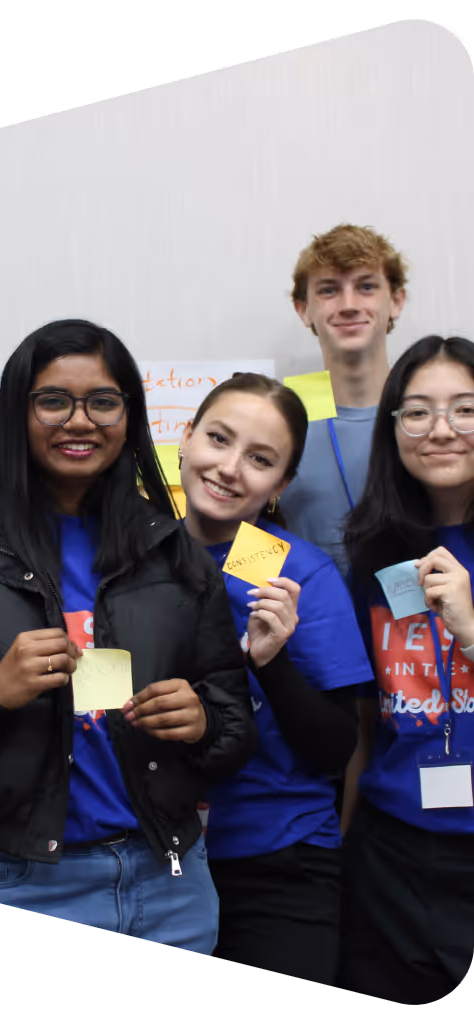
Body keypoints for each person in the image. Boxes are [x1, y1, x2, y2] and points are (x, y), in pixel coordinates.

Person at [0, 319, 257, 948]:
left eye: (102, 400)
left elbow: (235, 729)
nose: (80, 420)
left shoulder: (172, 553)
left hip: (170, 882)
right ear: (15, 412)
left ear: (129, 416)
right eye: (53, 400)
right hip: (16, 879)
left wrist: (204, 722)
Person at [177, 373, 373, 985]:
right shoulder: (130, 552)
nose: (230, 468)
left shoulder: (289, 570)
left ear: (281, 484)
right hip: (160, 860)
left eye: (260, 459)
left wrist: (273, 660)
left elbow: (336, 747)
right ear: (184, 439)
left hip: (279, 863)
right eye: (218, 439)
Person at [340, 336, 474, 1004]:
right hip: (391, 855)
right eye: (417, 412)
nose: (441, 429)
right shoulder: (375, 553)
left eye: (465, 410)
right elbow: (366, 724)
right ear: (393, 429)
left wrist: (472, 633)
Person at [279, 224, 408, 577]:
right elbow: (242, 532)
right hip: (310, 624)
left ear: (396, 300)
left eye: (366, 287)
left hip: (420, 625)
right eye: (329, 290)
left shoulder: (434, 418)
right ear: (303, 309)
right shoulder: (279, 421)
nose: (349, 305)